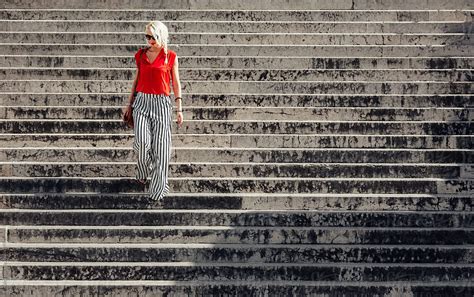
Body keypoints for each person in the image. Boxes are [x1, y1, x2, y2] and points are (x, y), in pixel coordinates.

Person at [123, 21, 183, 202]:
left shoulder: (170, 56)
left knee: (162, 149)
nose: (149, 40)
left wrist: (179, 108)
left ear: (161, 35)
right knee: (142, 142)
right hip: (141, 102)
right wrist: (129, 103)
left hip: (162, 104)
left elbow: (176, 83)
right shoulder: (141, 55)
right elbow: (136, 79)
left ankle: (157, 191)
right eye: (146, 36)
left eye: (152, 36)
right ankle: (142, 169)